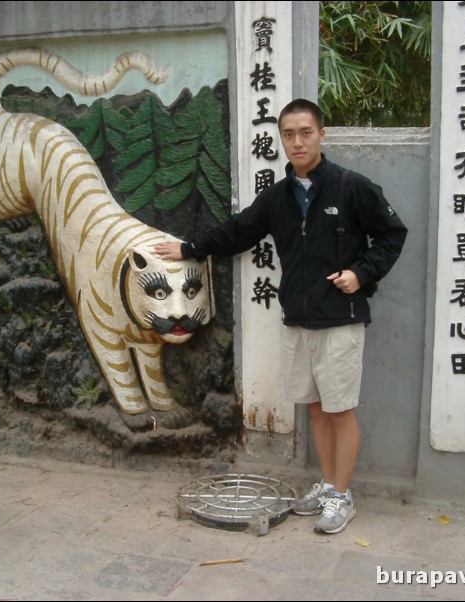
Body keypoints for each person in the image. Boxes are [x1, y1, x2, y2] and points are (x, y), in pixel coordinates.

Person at [154, 98, 407, 534]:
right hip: (298, 318)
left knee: (340, 409)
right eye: (288, 134)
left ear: (321, 135)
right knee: (313, 408)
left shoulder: (351, 187)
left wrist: (360, 273)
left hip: (340, 319)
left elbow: (391, 233)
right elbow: (240, 230)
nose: (297, 142)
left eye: (305, 132)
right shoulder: (278, 197)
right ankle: (328, 485)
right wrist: (189, 249)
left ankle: (342, 495)